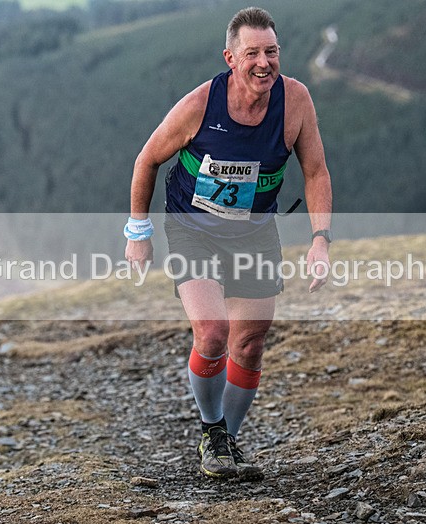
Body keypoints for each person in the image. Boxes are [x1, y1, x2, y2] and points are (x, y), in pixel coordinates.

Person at [124, 6, 332, 480]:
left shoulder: (295, 101)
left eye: (272, 51)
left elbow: (316, 171)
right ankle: (212, 430)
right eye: (252, 53)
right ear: (230, 58)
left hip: (254, 230)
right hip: (192, 227)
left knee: (251, 342)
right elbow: (146, 159)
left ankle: (229, 440)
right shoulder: (200, 104)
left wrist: (320, 241)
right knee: (214, 331)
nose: (264, 62)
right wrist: (138, 232)